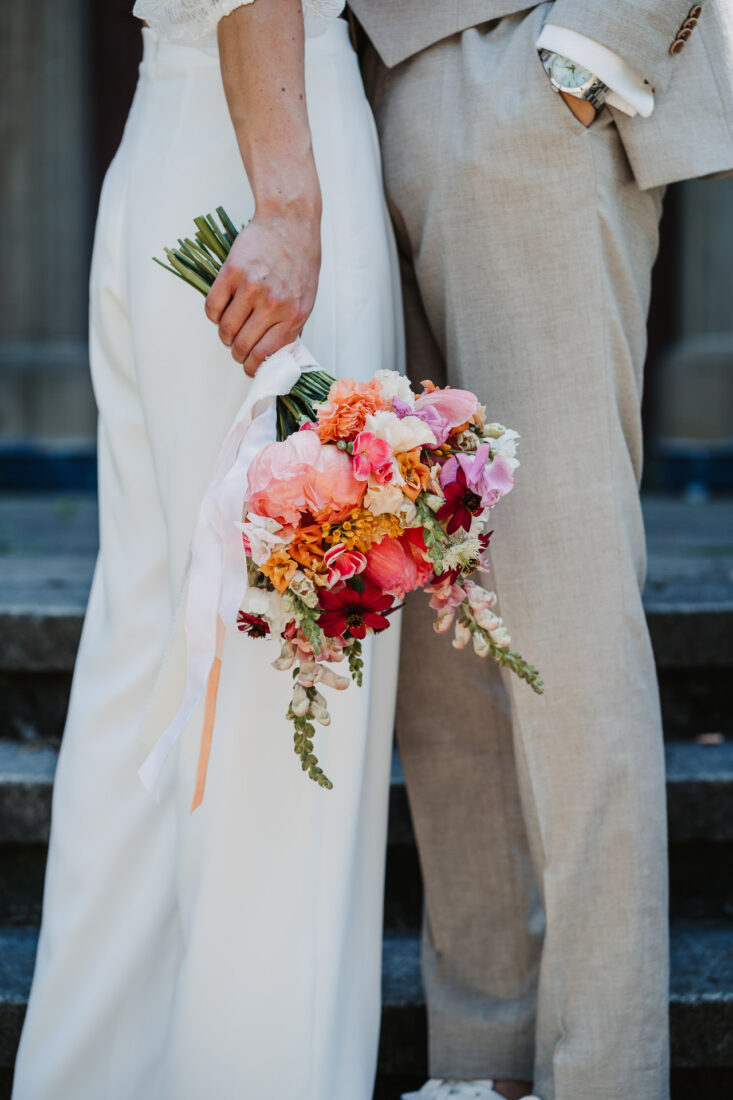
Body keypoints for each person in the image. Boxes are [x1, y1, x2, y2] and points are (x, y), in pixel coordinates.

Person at [12, 3, 403, 1098]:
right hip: (268, 150)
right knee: (287, 676)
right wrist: (287, 201)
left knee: (158, 656)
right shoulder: (283, 185)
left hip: (176, 130)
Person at [348, 1, 733, 1099]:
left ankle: (604, 1074)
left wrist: (603, 44)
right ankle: (483, 1064)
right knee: (439, 627)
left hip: (522, 70)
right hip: (362, 84)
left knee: (564, 605)